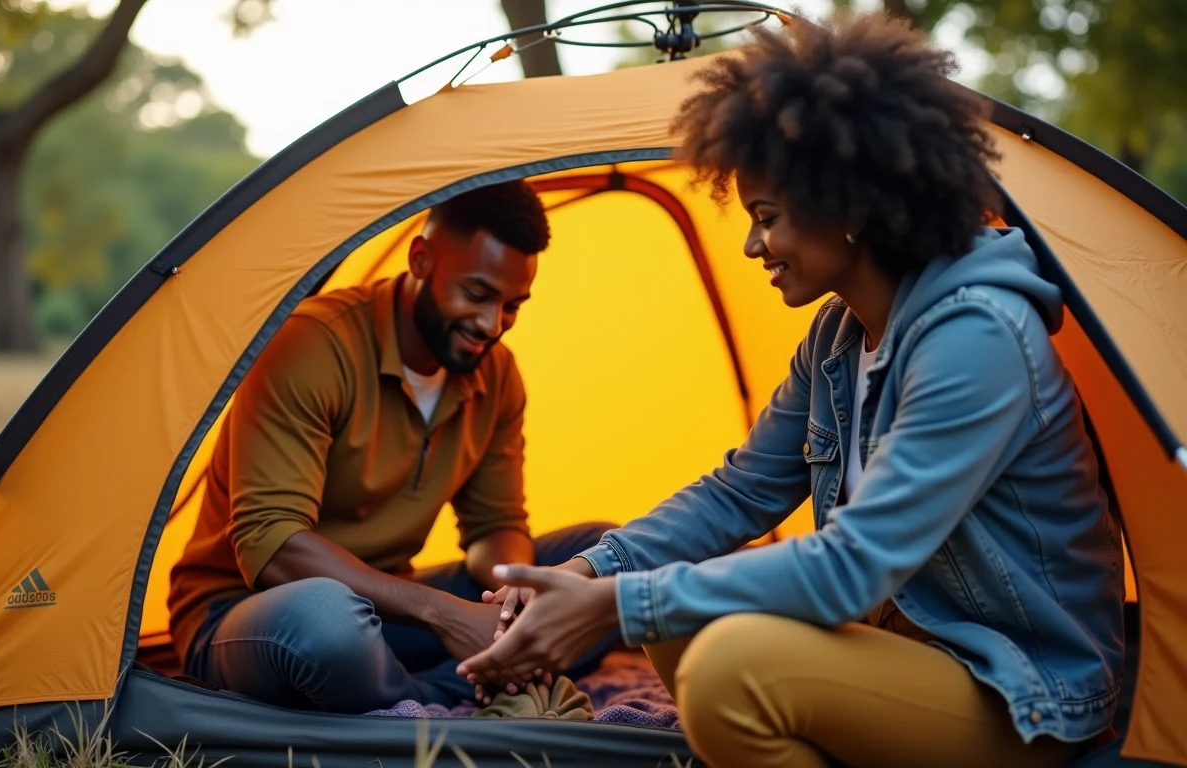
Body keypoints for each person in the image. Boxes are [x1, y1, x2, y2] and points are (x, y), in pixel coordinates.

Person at [458, 12, 1126, 768]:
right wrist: (584, 573)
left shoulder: (978, 338)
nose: (752, 246)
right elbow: (738, 493)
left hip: (1021, 689)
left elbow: (855, 565)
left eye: (766, 218)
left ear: (848, 206)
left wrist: (613, 606)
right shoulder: (838, 338)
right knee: (682, 616)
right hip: (905, 641)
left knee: (726, 672)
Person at [167, 179, 617, 714]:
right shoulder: (311, 345)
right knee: (328, 623)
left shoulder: (496, 376)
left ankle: (422, 696)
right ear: (421, 259)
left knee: (610, 560)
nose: (491, 324)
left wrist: (516, 600)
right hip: (252, 611)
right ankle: (442, 699)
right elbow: (272, 544)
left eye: (512, 305)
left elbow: (494, 528)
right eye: (476, 295)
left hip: (390, 610)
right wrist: (445, 613)